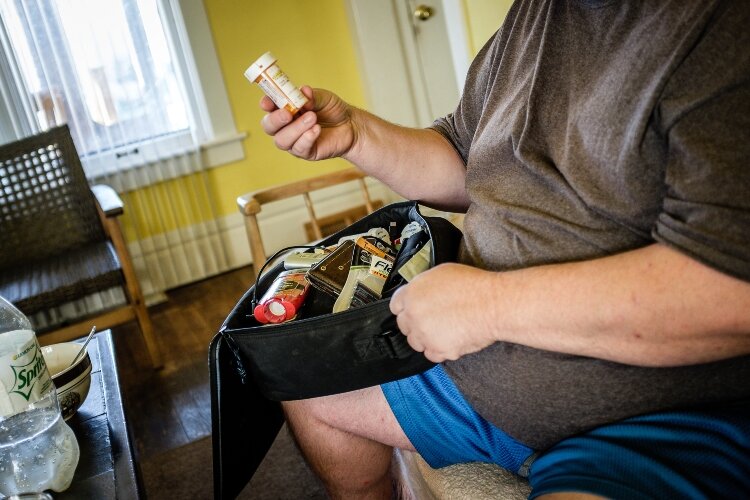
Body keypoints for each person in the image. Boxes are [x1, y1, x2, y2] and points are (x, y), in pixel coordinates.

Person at [259, 1, 750, 498]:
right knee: (306, 385)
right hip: (476, 371)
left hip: (647, 417)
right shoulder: (539, 11)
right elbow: (463, 160)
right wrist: (357, 134)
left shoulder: (720, 27)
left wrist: (488, 307)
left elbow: (732, 293)